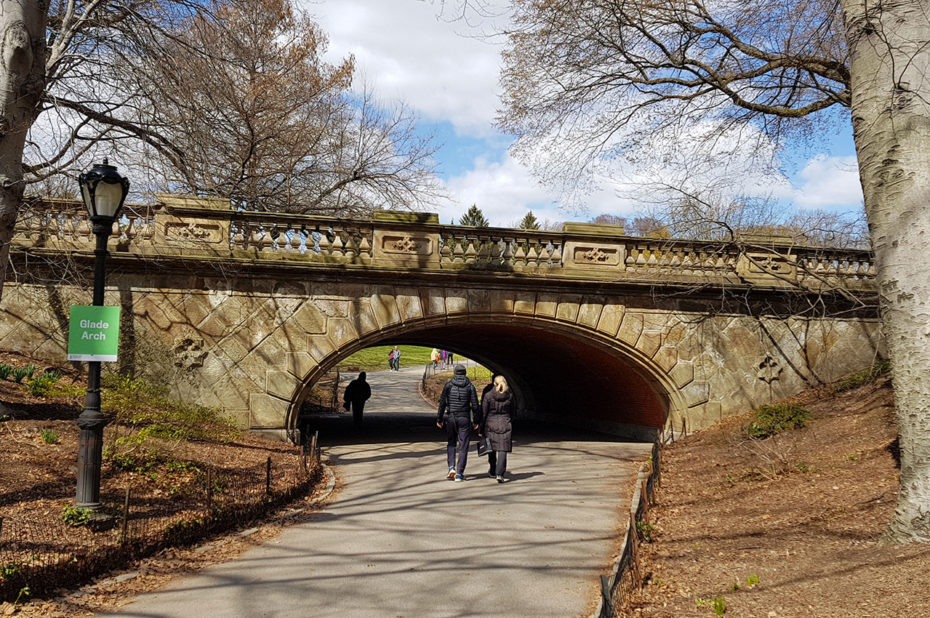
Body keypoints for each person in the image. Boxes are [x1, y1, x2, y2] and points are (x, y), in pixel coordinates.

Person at [436, 364, 479, 482]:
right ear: (465, 373)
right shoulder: (470, 386)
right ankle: (459, 473)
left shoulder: (449, 385)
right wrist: (476, 421)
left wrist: (439, 419)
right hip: (464, 418)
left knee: (451, 443)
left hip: (451, 417)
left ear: (455, 373)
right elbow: (475, 406)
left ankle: (451, 467)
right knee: (463, 445)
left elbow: (442, 403)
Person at [481, 375, 514, 483]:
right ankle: (500, 473)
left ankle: (493, 469)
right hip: (505, 423)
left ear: (494, 383)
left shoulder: (488, 395)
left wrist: (481, 428)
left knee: (491, 448)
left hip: (491, 424)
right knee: (502, 448)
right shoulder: (509, 396)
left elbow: (484, 413)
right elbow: (513, 411)